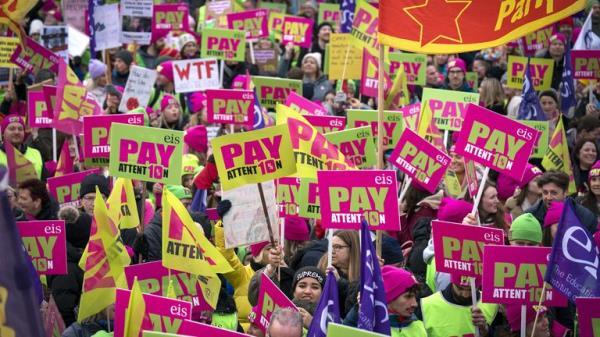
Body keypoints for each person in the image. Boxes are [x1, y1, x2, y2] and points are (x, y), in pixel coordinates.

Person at [419, 276, 498, 337]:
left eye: (471, 289)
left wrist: (485, 331)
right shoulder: (427, 305)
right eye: (460, 288)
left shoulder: (491, 303)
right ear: (452, 282)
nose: (465, 295)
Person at [525, 170, 597, 233]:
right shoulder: (530, 216)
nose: (549, 197)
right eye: (545, 192)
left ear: (565, 192)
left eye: (554, 193)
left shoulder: (585, 217)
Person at [382, 266, 426, 337]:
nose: (415, 304)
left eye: (415, 297)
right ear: (389, 298)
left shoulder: (420, 327)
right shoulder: (371, 329)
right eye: (408, 296)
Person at [0, 115, 45, 180]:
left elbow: (45, 183)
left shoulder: (36, 154)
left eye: (20, 129)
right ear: (3, 133)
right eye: (12, 129)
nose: (16, 132)